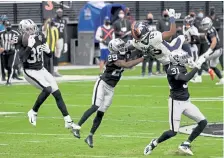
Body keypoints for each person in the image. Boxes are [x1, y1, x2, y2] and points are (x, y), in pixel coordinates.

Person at [72, 38, 150, 148]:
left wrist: (145, 46)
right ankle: (76, 127)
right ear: (114, 49)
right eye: (120, 46)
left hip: (111, 88)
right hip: (102, 84)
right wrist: (142, 58)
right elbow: (126, 65)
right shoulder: (113, 56)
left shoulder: (123, 51)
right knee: (95, 106)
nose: (123, 47)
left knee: (101, 113)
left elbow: (134, 46)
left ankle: (90, 136)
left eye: (122, 45)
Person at [13, 19, 80, 131]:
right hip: (30, 71)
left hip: (41, 69)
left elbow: (49, 56)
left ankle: (68, 121)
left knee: (57, 93)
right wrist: (29, 47)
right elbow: (22, 59)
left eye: (32, 27)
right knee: (47, 89)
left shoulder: (39, 37)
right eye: (28, 29)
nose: (32, 30)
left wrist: (49, 51)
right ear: (23, 30)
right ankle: (33, 111)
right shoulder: (20, 39)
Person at [143, 50, 208, 156]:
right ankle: (154, 143)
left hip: (186, 102)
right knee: (173, 132)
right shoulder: (172, 69)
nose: (184, 59)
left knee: (203, 122)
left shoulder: (180, 67)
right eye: (182, 58)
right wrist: (197, 66)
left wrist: (194, 65)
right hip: (176, 103)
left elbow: (188, 76)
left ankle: (185, 144)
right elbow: (185, 78)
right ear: (176, 60)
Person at [130, 9, 184, 73]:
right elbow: (172, 32)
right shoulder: (155, 36)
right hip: (172, 55)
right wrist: (172, 17)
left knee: (174, 81)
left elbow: (129, 47)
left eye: (136, 32)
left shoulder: (137, 43)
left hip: (164, 61)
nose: (134, 34)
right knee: (182, 37)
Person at [200, 17, 224, 85]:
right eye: (204, 25)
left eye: (206, 24)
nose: (205, 26)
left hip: (215, 50)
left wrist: (209, 51)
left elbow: (214, 41)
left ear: (210, 23)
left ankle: (208, 71)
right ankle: (222, 80)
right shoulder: (212, 29)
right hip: (219, 50)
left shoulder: (210, 30)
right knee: (212, 66)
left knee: (199, 61)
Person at [0, 21, 21, 85]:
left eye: (9, 25)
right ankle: (8, 77)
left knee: (10, 66)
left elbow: (19, 41)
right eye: (6, 25)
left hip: (12, 51)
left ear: (11, 26)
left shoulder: (15, 33)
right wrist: (0, 47)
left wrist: (16, 48)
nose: (8, 27)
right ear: (5, 26)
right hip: (4, 52)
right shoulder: (1, 33)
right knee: (5, 66)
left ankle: (9, 80)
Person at [52, 8, 68, 77]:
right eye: (58, 12)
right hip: (53, 39)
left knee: (57, 56)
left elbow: (65, 32)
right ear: (56, 13)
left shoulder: (64, 21)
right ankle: (51, 70)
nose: (60, 13)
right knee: (51, 55)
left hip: (60, 39)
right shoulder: (53, 20)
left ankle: (55, 71)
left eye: (61, 12)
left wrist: (65, 43)